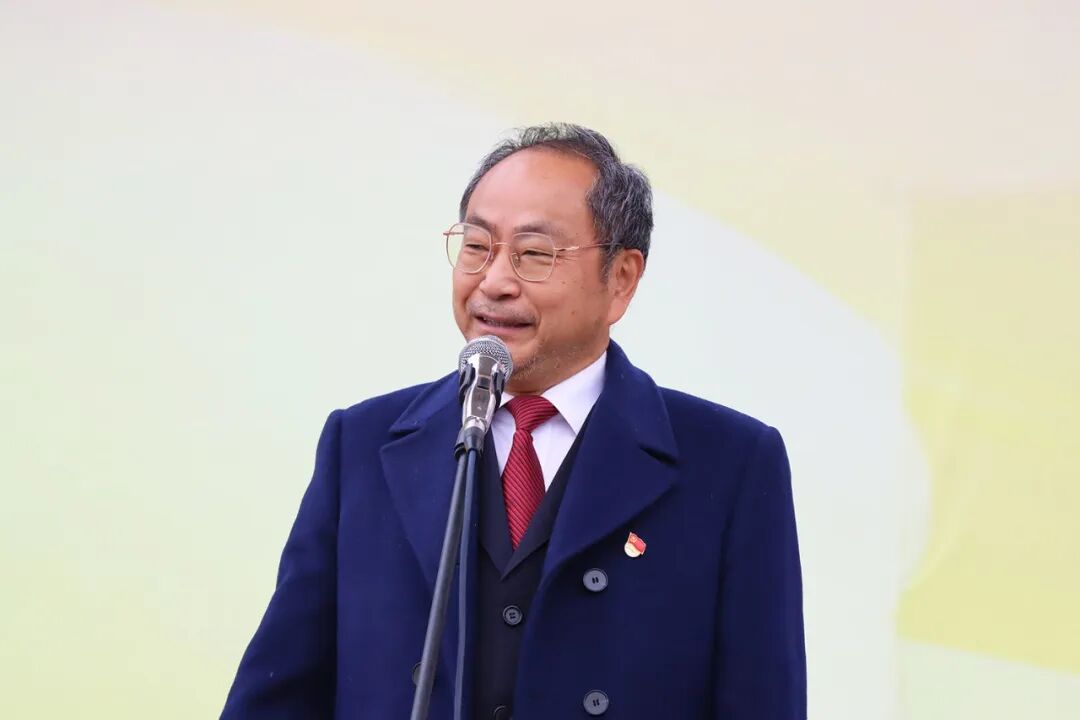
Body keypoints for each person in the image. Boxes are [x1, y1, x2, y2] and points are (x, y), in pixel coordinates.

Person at [221, 123, 806, 719]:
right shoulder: (362, 445)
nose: (494, 282)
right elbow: (277, 700)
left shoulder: (729, 465)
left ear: (621, 279)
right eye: (477, 246)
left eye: (534, 254)